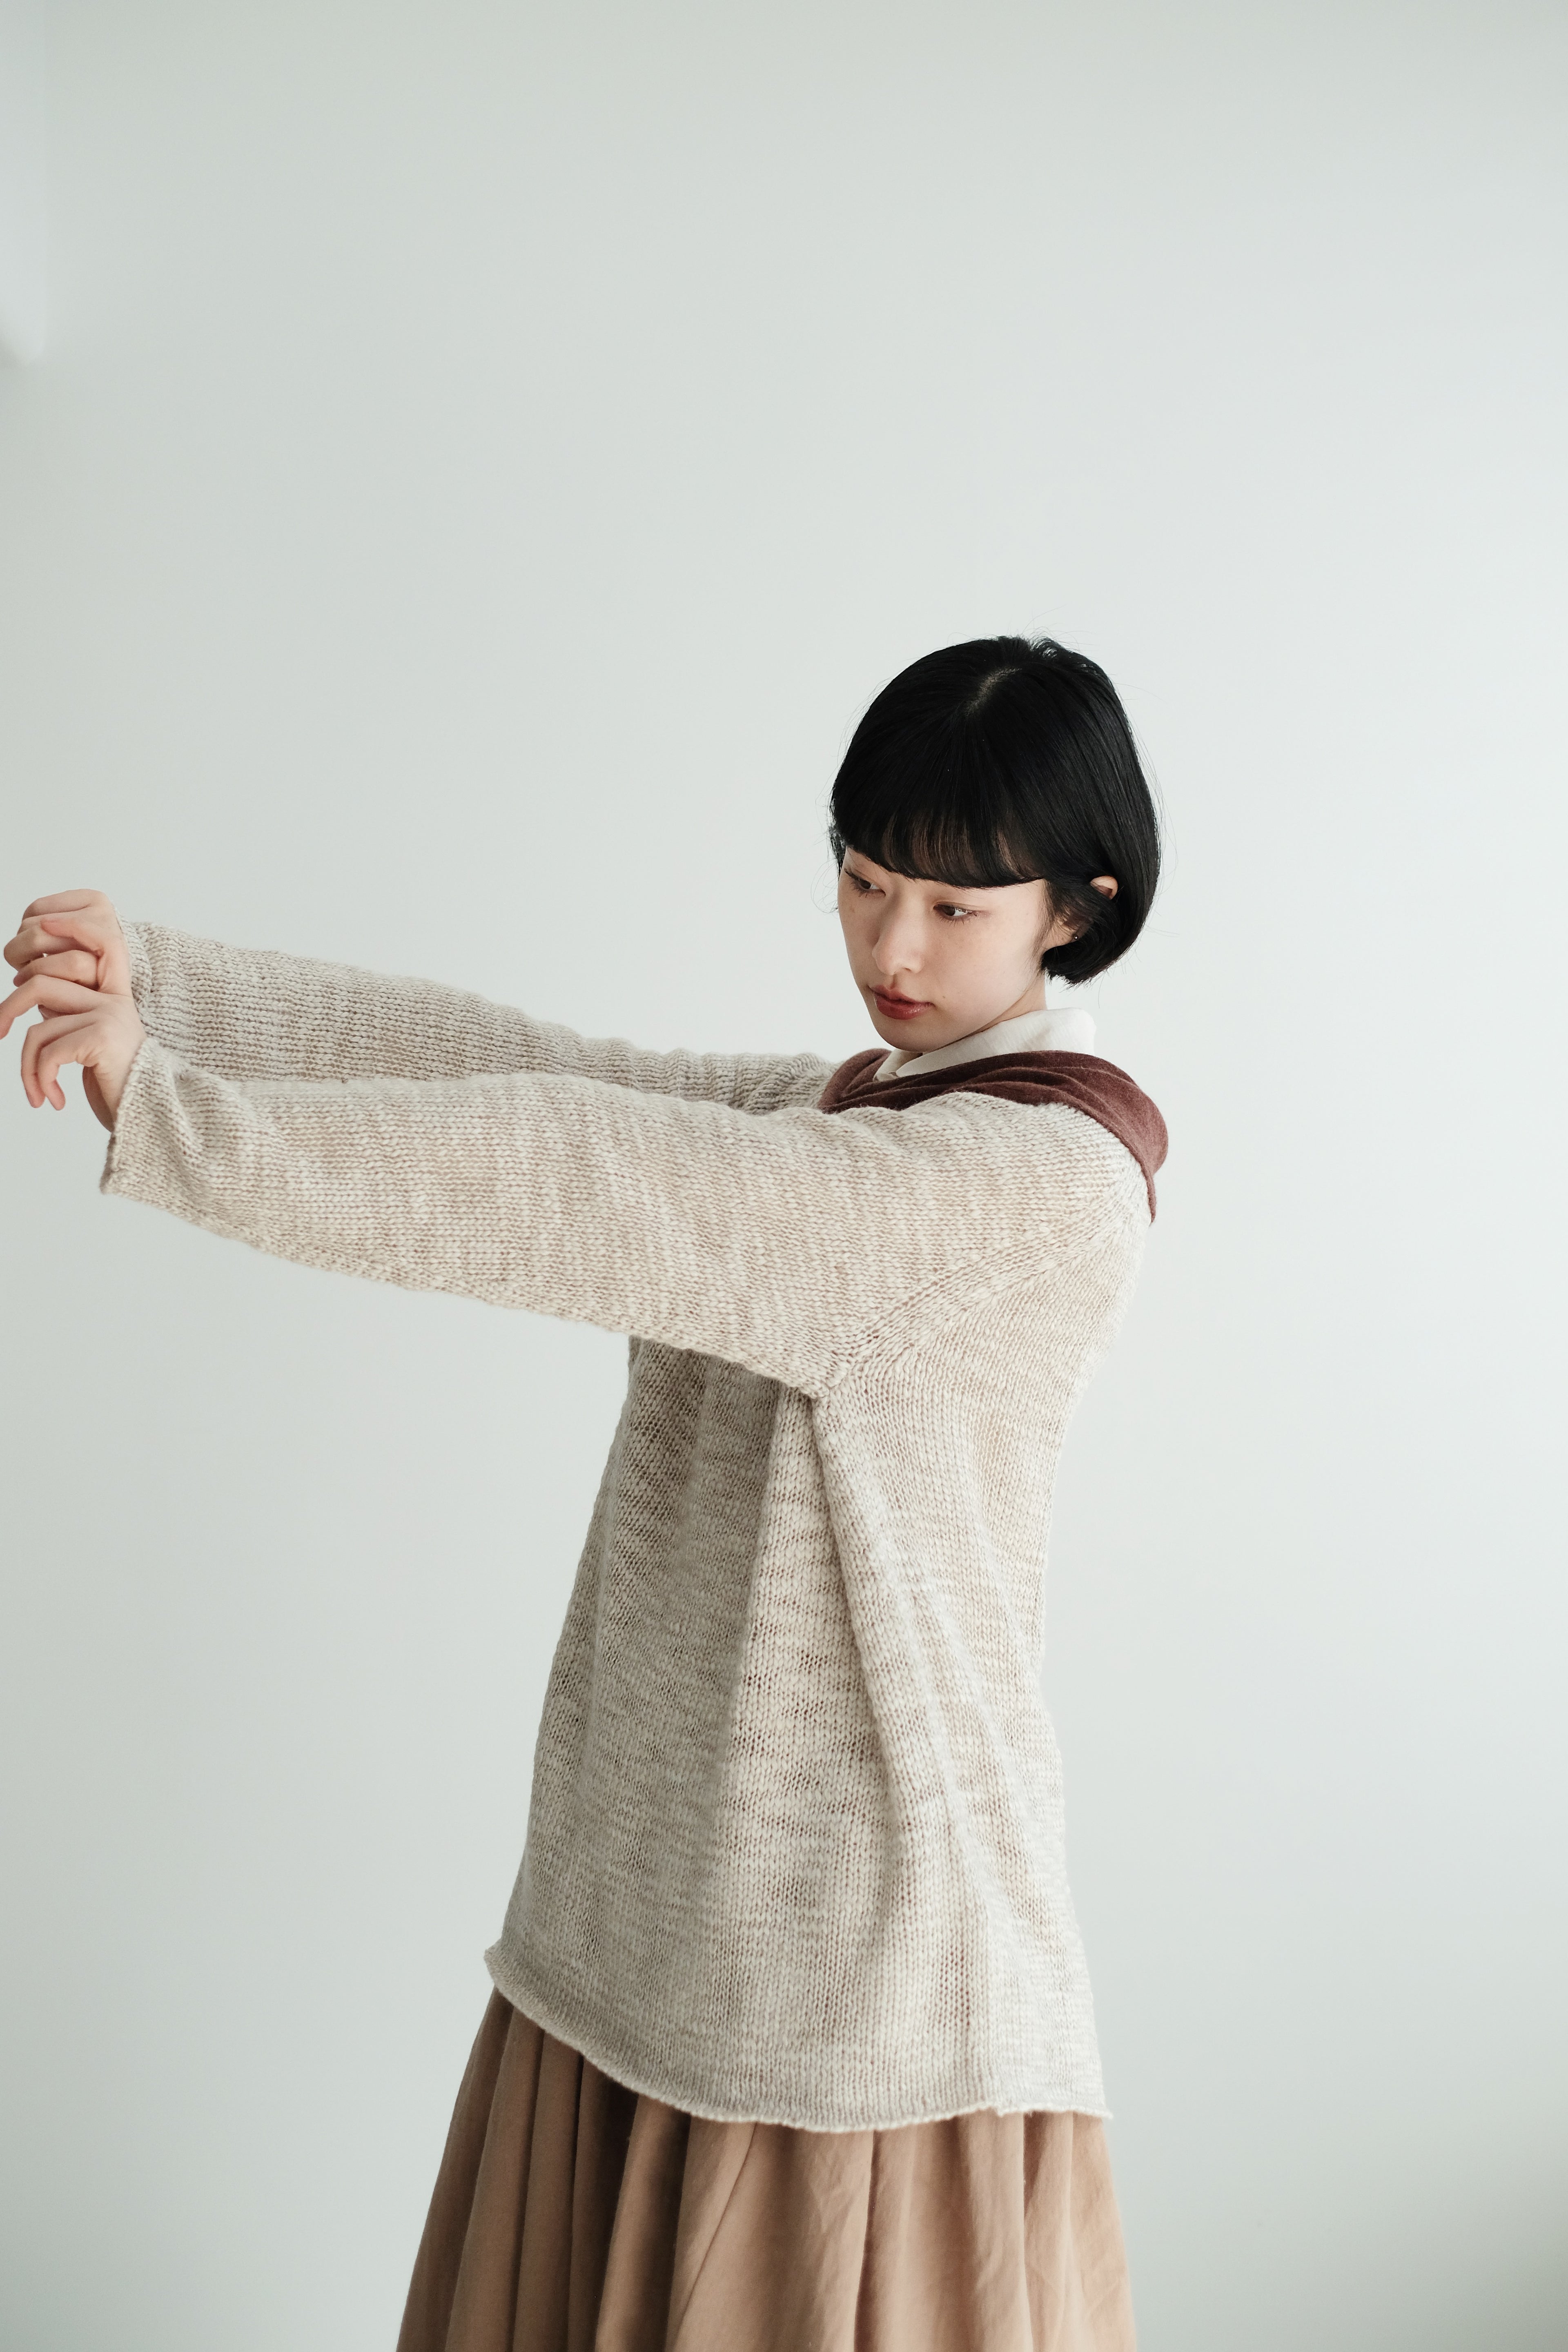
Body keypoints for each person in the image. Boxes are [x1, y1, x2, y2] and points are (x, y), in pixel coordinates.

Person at [3, 634, 1166, 2352]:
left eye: (953, 907)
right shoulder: (857, 1111)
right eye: (862, 883)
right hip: (651, 1929)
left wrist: (176, 1115)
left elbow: (594, 1176)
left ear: (1078, 906)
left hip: (844, 2000)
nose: (891, 951)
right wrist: (168, 990)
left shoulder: (1025, 1182)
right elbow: (525, 1066)